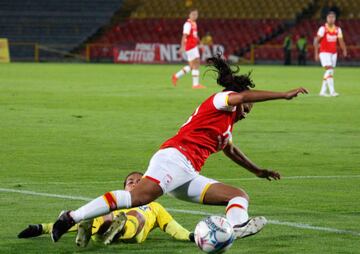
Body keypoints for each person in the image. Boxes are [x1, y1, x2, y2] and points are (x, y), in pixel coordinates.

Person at [51, 54, 308, 243]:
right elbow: (241, 97)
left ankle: (236, 226)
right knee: (138, 198)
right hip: (174, 159)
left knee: (238, 195)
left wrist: (258, 171)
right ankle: (71, 217)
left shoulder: (226, 126)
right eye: (248, 108)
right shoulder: (221, 101)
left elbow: (231, 150)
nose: (248, 112)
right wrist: (283, 95)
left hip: (187, 174)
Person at [18, 172, 193, 247]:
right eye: (130, 181)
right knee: (103, 214)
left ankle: (112, 230)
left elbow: (172, 227)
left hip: (134, 231)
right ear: (124, 188)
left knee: (133, 215)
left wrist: (190, 236)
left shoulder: (155, 206)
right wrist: (41, 228)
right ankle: (103, 230)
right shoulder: (115, 204)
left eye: (139, 181)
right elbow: (69, 222)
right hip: (110, 228)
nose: (134, 183)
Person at [314, 11, 347, 97]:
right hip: (324, 52)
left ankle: (322, 92)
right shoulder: (322, 29)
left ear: (335, 19)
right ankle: (332, 92)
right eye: (329, 17)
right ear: (326, 18)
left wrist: (344, 49)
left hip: (333, 53)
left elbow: (341, 41)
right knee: (329, 70)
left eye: (333, 17)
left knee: (329, 72)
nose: (331, 19)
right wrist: (316, 53)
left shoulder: (338, 29)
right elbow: (316, 41)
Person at [172, 9, 205, 89]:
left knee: (192, 65)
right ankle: (195, 84)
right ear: (189, 15)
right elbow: (184, 36)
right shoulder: (188, 24)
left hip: (194, 46)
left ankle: (176, 76)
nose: (195, 16)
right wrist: (182, 46)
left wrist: (200, 43)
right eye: (193, 14)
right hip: (190, 46)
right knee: (196, 63)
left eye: (196, 14)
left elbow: (195, 36)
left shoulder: (194, 23)